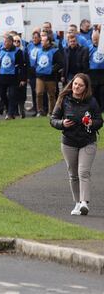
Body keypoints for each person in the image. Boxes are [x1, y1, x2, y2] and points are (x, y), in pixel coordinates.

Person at [50, 73, 102, 216]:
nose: (76, 87)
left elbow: (99, 121)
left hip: (87, 141)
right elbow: (53, 119)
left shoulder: (91, 101)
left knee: (83, 172)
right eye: (75, 84)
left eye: (80, 85)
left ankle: (85, 202)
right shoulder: (64, 99)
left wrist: (92, 123)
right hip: (69, 142)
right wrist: (62, 123)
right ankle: (78, 203)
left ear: (86, 88)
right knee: (73, 174)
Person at [0, 34, 26, 120]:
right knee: (2, 95)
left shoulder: (18, 52)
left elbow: (21, 66)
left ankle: (10, 113)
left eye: (7, 42)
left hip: (13, 77)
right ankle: (9, 110)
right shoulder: (1, 50)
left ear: (11, 42)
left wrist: (22, 79)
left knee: (12, 95)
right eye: (4, 42)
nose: (5, 43)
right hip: (2, 77)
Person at [34, 32, 64, 117]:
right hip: (40, 76)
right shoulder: (39, 51)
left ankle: (51, 112)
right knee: (39, 93)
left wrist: (51, 69)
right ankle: (40, 111)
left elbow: (60, 63)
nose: (42, 42)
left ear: (48, 42)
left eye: (43, 41)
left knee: (51, 95)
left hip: (51, 77)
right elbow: (36, 62)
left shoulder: (55, 51)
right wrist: (37, 70)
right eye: (41, 41)